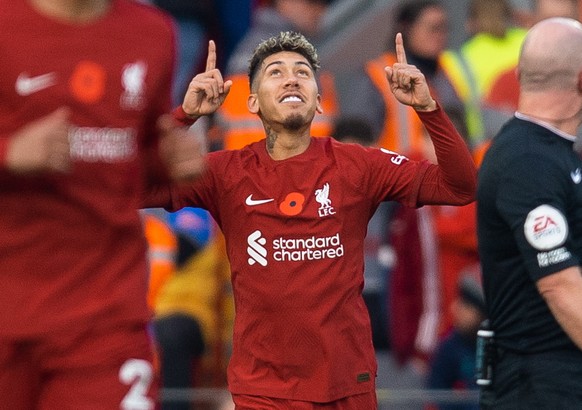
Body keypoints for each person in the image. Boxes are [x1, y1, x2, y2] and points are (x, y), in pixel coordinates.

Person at [145, 30, 477, 408]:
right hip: (264, 390)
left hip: (346, 386)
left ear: (319, 101)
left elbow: (460, 187)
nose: (291, 78)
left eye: (303, 72)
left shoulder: (358, 165)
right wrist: (184, 116)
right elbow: (133, 187)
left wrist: (427, 108)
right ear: (253, 102)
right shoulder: (226, 173)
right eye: (275, 72)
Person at [0, 1, 205, 408]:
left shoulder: (153, 32)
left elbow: (135, 154)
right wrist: (7, 154)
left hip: (105, 313)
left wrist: (168, 160)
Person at [477, 17, 582, 409]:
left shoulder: (548, 154)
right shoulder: (528, 161)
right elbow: (558, 284)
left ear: (520, 74)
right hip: (542, 384)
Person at [343, 0, 483, 153]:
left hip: (444, 170)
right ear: (407, 28)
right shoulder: (376, 75)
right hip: (398, 172)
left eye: (444, 28)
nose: (440, 35)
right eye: (433, 28)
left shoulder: (450, 68)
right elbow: (355, 142)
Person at [216, 0, 339, 150]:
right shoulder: (260, 54)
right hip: (268, 167)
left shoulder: (304, 50)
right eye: (312, 2)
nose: (320, 10)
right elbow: (245, 129)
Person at [426, 274, 485, 410]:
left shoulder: (500, 346)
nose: (454, 308)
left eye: (465, 305)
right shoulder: (449, 348)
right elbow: (436, 395)